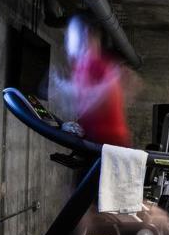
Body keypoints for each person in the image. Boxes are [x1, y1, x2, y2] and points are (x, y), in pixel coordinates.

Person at [54, 12, 133, 147]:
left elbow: (90, 103)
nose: (67, 41)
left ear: (87, 35)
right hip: (94, 139)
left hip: (109, 143)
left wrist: (61, 87)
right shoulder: (82, 66)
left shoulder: (96, 65)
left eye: (71, 35)